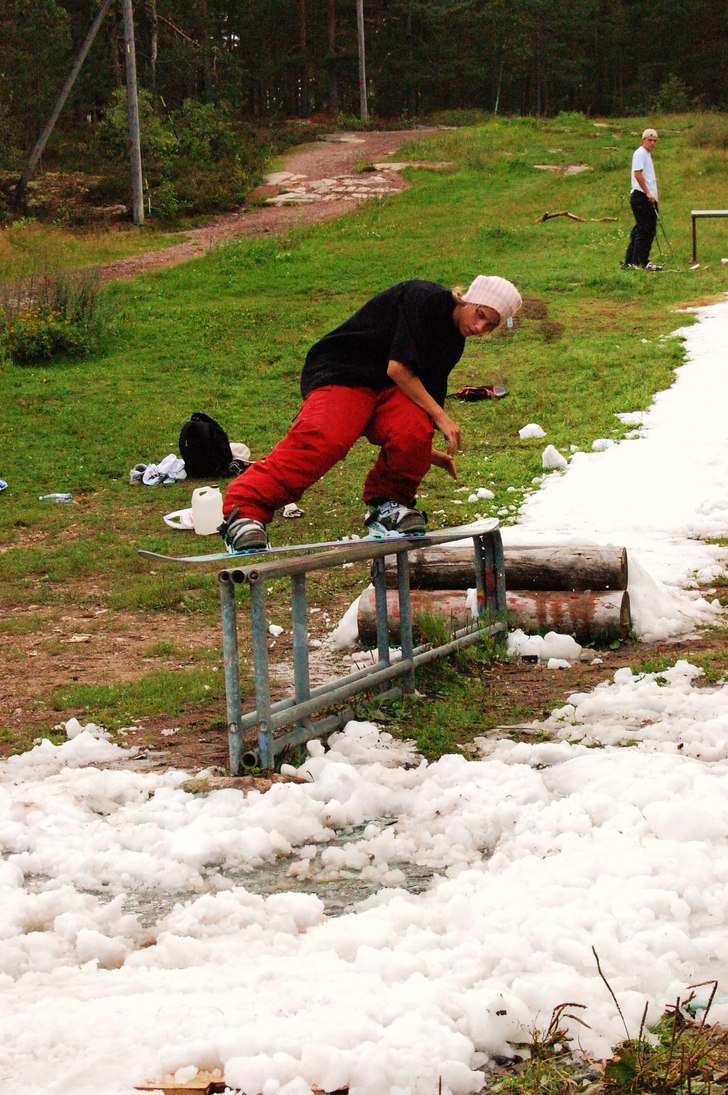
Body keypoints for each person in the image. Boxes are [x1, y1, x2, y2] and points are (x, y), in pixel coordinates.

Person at [220, 275, 523, 552]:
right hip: (345, 372)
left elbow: (423, 403)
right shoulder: (425, 298)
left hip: (389, 388)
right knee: (325, 439)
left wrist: (422, 447)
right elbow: (398, 368)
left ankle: (388, 505)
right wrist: (443, 419)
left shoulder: (454, 341)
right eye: (481, 315)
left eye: (491, 326)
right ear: (468, 298)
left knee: (415, 430)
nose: (480, 327)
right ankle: (243, 510)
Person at [622, 128, 663, 271]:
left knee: (641, 228)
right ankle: (641, 261)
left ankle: (630, 261)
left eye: (654, 140)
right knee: (646, 229)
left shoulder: (646, 154)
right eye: (649, 140)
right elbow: (637, 174)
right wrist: (648, 193)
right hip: (642, 196)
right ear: (643, 140)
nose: (652, 143)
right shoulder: (640, 153)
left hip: (645, 196)